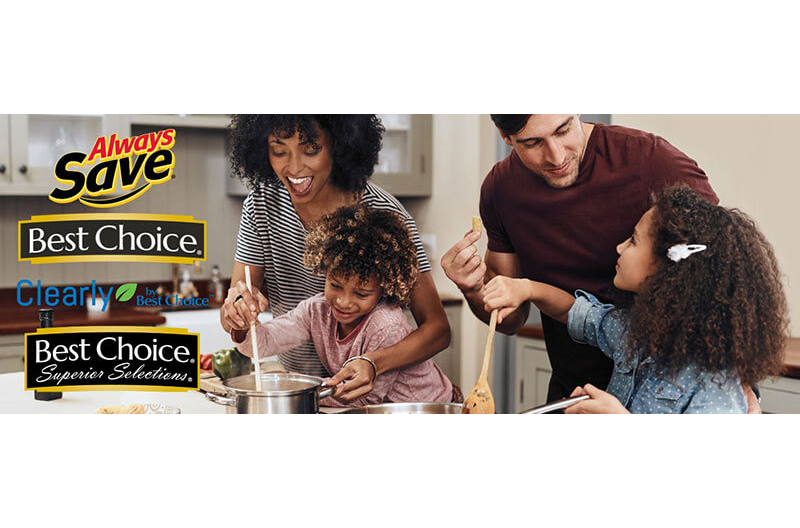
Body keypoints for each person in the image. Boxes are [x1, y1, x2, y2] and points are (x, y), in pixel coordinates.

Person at [442, 114, 722, 403]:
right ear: (506, 137)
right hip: (574, 396)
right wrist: (474, 288)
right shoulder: (500, 190)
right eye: (533, 142)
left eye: (563, 130)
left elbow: (728, 268)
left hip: (672, 394)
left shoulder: (652, 161)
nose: (556, 156)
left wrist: (740, 385)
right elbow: (513, 318)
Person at [482, 186, 787, 413]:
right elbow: (578, 312)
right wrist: (527, 289)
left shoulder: (713, 379)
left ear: (666, 269)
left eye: (633, 240)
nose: (618, 248)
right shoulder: (632, 333)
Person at [221, 115, 450, 404]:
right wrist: (238, 315)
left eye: (311, 149)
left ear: (340, 145)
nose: (293, 167)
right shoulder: (261, 206)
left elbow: (438, 330)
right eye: (279, 151)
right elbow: (239, 314)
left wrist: (374, 362)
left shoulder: (385, 215)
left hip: (369, 398)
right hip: (303, 386)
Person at [232, 205, 455, 406]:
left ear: (384, 288)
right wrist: (244, 326)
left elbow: (366, 398)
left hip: (427, 408)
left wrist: (295, 390)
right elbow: (262, 343)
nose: (343, 302)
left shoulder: (386, 325)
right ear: (324, 273)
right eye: (335, 285)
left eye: (361, 293)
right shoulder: (316, 311)